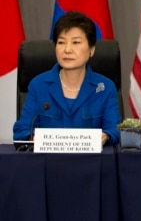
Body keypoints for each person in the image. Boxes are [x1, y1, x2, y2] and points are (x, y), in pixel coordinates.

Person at [14, 11, 121, 146]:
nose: (67, 49)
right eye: (61, 42)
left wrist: (105, 136)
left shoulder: (105, 87)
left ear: (92, 49)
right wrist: (37, 140)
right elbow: (21, 131)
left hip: (91, 163)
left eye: (76, 42)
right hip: (49, 163)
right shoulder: (39, 85)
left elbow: (115, 131)